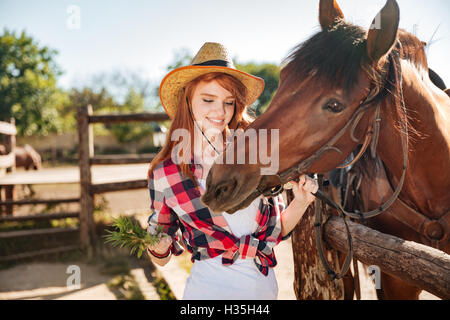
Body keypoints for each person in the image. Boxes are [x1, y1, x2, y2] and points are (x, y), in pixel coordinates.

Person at [146, 42, 318, 300]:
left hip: (264, 293)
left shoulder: (255, 153)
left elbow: (276, 231)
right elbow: (160, 257)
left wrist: (302, 201)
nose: (220, 112)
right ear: (188, 100)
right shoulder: (166, 173)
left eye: (228, 102)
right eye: (208, 99)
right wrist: (158, 247)